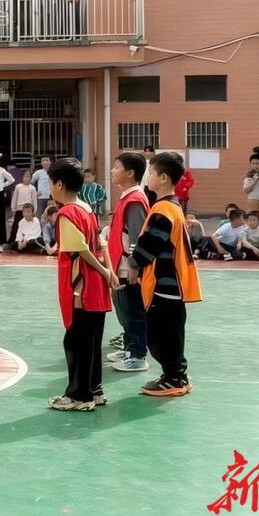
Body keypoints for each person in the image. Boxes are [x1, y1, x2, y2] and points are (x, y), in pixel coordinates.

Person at [131, 151, 202, 398]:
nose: (147, 176)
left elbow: (151, 243)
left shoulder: (162, 209)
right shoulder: (172, 205)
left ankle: (174, 378)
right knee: (170, 333)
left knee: (162, 336)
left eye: (150, 172)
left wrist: (133, 262)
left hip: (165, 284)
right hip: (172, 284)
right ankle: (175, 375)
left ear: (163, 178)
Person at [47, 158, 116, 412]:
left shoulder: (67, 214)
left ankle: (79, 395)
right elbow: (101, 243)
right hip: (97, 284)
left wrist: (104, 270)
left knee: (77, 341)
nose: (50, 188)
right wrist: (108, 270)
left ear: (59, 184)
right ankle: (95, 391)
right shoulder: (87, 208)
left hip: (81, 286)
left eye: (51, 182)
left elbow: (81, 249)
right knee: (92, 340)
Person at [106, 151, 151, 373]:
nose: (112, 170)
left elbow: (137, 236)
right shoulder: (127, 198)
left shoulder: (134, 200)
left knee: (132, 312)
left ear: (131, 173)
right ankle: (129, 348)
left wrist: (134, 265)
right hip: (120, 266)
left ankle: (137, 355)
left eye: (117, 167)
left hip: (127, 268)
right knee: (124, 311)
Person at [8, 171, 38, 247]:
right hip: (19, 210)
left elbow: (34, 200)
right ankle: (13, 242)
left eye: (28, 177)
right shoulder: (18, 187)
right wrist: (13, 208)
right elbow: (14, 198)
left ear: (30, 178)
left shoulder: (32, 188)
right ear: (22, 177)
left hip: (29, 211)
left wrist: (34, 211)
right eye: (25, 176)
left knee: (28, 227)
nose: (26, 178)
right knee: (16, 226)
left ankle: (27, 241)